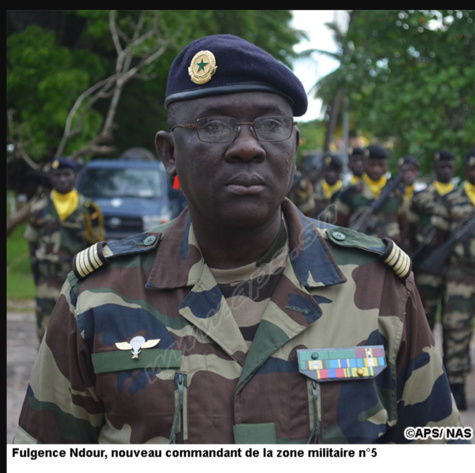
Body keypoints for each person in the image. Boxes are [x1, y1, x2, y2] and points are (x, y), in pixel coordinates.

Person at [14, 34, 465, 445]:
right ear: (170, 154)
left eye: (271, 124)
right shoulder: (95, 296)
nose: (248, 146)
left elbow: (438, 450)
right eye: (213, 126)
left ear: (294, 145)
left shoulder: (379, 285)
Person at [24, 157, 104, 343]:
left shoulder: (88, 209)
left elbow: (97, 248)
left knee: (77, 330)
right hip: (47, 281)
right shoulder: (39, 208)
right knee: (46, 330)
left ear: (75, 176)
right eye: (57, 175)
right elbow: (32, 243)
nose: (62, 179)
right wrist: (37, 272)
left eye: (66, 174)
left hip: (77, 280)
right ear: (51, 178)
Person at [431, 150, 475, 411]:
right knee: (456, 329)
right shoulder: (452, 199)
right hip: (461, 274)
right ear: (466, 171)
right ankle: (455, 388)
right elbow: (439, 238)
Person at [408, 150, 457, 330]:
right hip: (428, 264)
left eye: (449, 167)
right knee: (424, 318)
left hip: (455, 266)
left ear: (455, 168)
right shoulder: (421, 197)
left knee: (454, 321)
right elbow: (410, 230)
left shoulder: (462, 198)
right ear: (435, 167)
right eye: (442, 166)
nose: (445, 171)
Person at [336, 144, 407, 246]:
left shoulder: (396, 191)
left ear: (386, 165)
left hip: (391, 251)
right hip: (361, 250)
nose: (376, 169)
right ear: (364, 164)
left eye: (381, 165)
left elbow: (404, 224)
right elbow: (339, 225)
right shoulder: (351, 192)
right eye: (372, 165)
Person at [312, 153, 343, 223]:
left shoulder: (344, 190)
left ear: (340, 172)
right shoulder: (315, 189)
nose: (331, 174)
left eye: (335, 171)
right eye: (328, 170)